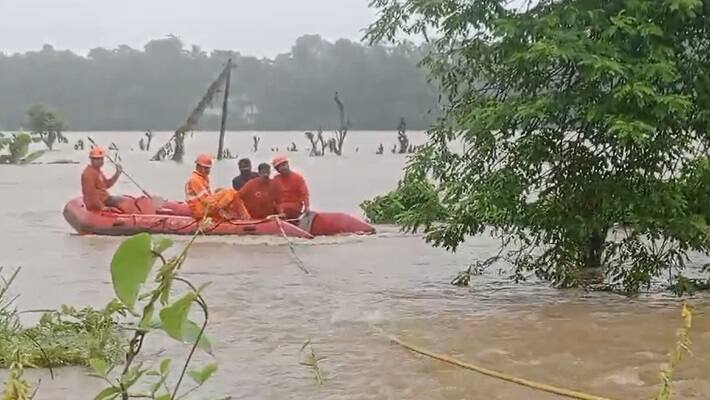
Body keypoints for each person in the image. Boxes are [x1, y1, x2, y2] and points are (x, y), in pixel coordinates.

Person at [185, 153, 251, 222]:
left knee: (225, 191)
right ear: (198, 167)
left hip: (202, 208)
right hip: (200, 210)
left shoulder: (202, 178)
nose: (208, 170)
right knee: (231, 192)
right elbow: (206, 200)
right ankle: (245, 218)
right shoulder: (195, 180)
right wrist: (220, 211)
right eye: (206, 168)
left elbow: (207, 198)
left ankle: (243, 216)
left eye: (209, 168)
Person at [81, 147, 123, 211]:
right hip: (99, 202)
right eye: (97, 159)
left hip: (105, 198)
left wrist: (117, 174)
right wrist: (101, 207)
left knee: (126, 201)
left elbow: (106, 185)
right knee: (124, 203)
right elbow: (90, 194)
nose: (100, 161)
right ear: (91, 160)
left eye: (101, 159)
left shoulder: (97, 171)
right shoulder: (88, 174)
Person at [272, 155, 310, 219]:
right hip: (279, 208)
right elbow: (271, 196)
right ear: (277, 170)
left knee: (287, 211)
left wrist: (307, 207)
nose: (283, 168)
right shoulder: (275, 179)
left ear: (288, 165)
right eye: (280, 166)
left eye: (284, 165)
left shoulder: (297, 178)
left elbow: (304, 194)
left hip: (294, 206)